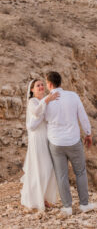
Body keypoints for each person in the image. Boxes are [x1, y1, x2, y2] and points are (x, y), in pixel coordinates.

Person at [45, 71, 95, 215]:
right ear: (61, 82)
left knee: (61, 175)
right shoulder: (73, 96)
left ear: (49, 84)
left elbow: (42, 119)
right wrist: (88, 133)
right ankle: (84, 205)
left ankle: (67, 207)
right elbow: (82, 116)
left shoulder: (47, 101)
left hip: (55, 142)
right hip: (73, 141)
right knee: (80, 172)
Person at [21, 79, 59, 210]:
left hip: (47, 137)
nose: (41, 87)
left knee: (48, 168)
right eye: (38, 85)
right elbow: (37, 113)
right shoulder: (32, 102)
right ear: (32, 90)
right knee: (40, 168)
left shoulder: (45, 102)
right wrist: (47, 100)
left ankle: (42, 197)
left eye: (42, 84)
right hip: (37, 139)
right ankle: (37, 200)